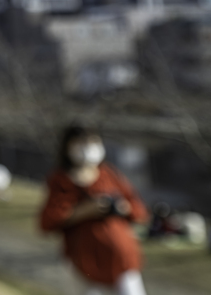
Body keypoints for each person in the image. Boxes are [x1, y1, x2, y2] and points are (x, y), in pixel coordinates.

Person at [40, 126, 150, 295]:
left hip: (122, 260)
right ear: (68, 146)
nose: (88, 148)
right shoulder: (61, 181)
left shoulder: (109, 174)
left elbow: (139, 211)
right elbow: (48, 221)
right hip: (86, 264)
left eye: (92, 142)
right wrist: (84, 211)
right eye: (81, 143)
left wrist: (121, 207)